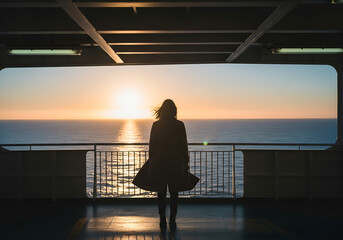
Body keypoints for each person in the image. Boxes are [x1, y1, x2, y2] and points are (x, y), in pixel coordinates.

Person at [133, 99, 198, 230]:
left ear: (162, 110)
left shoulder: (156, 125)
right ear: (174, 110)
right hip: (176, 162)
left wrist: (152, 161)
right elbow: (183, 145)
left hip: (159, 162)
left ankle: (162, 219)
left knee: (160, 192)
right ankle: (172, 219)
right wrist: (186, 161)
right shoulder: (180, 125)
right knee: (174, 192)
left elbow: (152, 145)